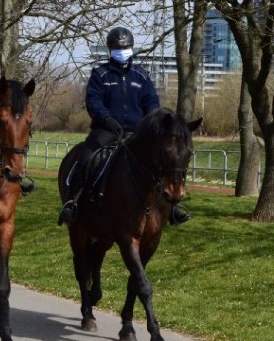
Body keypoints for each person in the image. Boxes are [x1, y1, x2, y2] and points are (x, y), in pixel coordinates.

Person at [58, 26, 191, 226]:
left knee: (161, 161)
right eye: (118, 47)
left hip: (137, 133)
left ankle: (171, 208)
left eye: (126, 46)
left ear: (132, 48)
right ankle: (73, 201)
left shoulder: (142, 76)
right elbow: (93, 101)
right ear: (110, 49)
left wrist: (151, 123)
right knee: (86, 156)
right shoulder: (100, 74)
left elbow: (152, 103)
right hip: (106, 131)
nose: (122, 50)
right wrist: (107, 119)